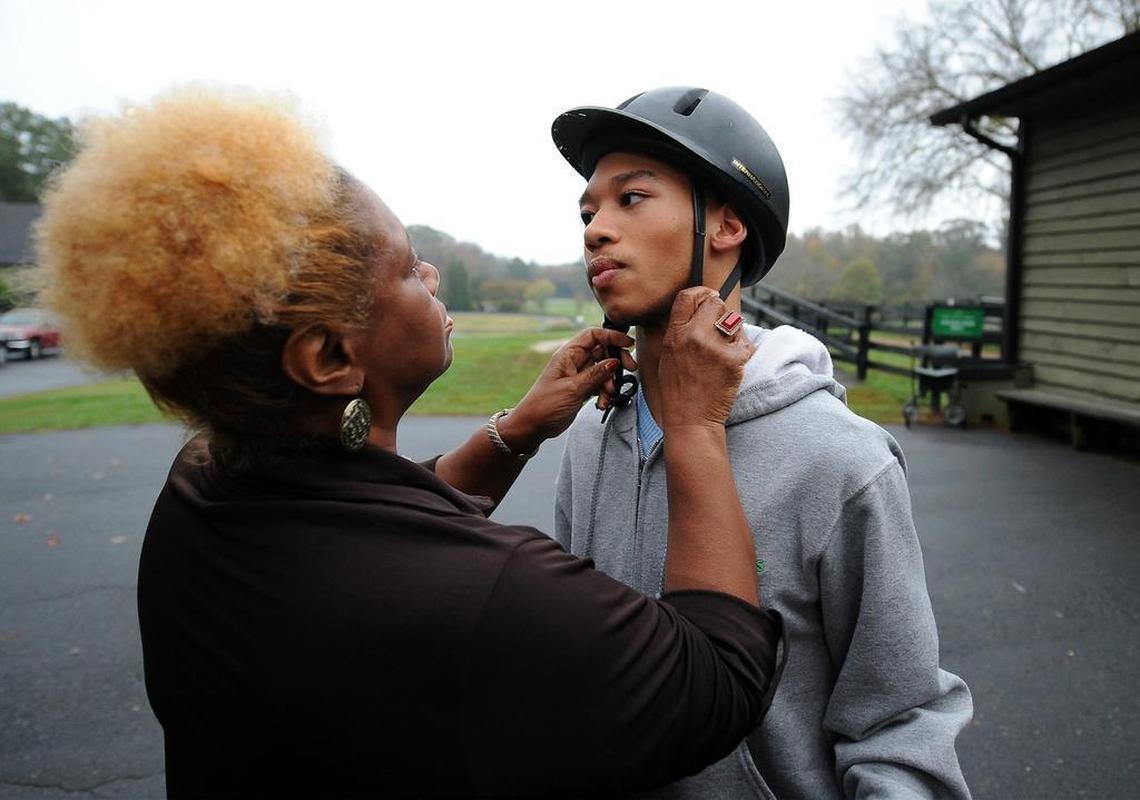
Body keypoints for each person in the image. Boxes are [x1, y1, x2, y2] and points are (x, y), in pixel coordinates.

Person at [35, 86, 785, 799]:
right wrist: (692, 426)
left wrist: (517, 432)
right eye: (404, 268)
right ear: (330, 358)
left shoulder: (202, 487)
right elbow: (718, 678)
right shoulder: (486, 598)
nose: (430, 273)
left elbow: (373, 520)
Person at [551, 87, 974, 799]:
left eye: (632, 199)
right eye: (588, 210)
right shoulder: (591, 438)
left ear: (728, 225)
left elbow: (899, 722)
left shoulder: (841, 457)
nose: (595, 229)